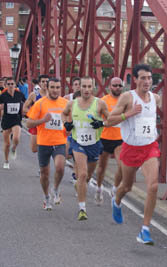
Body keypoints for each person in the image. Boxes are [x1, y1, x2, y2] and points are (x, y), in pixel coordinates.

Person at [107, 64, 161, 245]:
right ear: (135, 80)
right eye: (143, 78)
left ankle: (145, 229)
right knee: (127, 187)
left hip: (149, 147)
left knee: (153, 186)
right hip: (130, 148)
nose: (147, 81)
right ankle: (116, 200)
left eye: (149, 78)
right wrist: (128, 114)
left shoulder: (156, 98)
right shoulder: (127, 98)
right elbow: (108, 121)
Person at [61, 77, 110, 221]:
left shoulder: (99, 104)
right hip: (78, 143)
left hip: (94, 144)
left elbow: (111, 119)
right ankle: (82, 209)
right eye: (84, 86)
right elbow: (63, 114)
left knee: (87, 177)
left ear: (93, 87)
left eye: (89, 86)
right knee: (82, 174)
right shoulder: (72, 104)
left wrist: (101, 123)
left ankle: (81, 185)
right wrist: (66, 124)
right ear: (79, 88)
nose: (87, 89)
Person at [26, 78, 68, 210]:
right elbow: (28, 123)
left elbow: (70, 120)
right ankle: (46, 197)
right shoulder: (40, 103)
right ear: (47, 88)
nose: (55, 90)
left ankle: (55, 188)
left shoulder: (66, 104)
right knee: (44, 173)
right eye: (53, 87)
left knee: (60, 167)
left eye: (58, 87)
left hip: (60, 142)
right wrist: (43, 120)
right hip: (44, 143)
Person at [94, 77, 124, 205]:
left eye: (119, 85)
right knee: (101, 167)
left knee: (123, 166)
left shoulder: (125, 100)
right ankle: (99, 188)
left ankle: (115, 188)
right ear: (110, 87)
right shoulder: (103, 101)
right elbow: (96, 118)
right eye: (115, 85)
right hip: (105, 138)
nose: (117, 88)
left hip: (120, 139)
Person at [0, 77, 26, 169]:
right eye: (8, 84)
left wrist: (25, 110)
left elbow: (25, 103)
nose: (10, 86)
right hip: (6, 120)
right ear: (6, 85)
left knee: (16, 138)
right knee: (7, 143)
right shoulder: (3, 96)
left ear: (15, 85)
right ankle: (6, 161)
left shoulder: (19, 94)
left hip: (16, 119)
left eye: (12, 84)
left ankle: (14, 149)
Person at [23, 75, 49, 153]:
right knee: (34, 149)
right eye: (43, 82)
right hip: (36, 124)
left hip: (48, 125)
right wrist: (33, 115)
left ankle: (44, 160)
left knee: (47, 148)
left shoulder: (52, 95)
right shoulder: (34, 95)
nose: (45, 83)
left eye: (46, 82)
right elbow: (24, 108)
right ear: (39, 83)